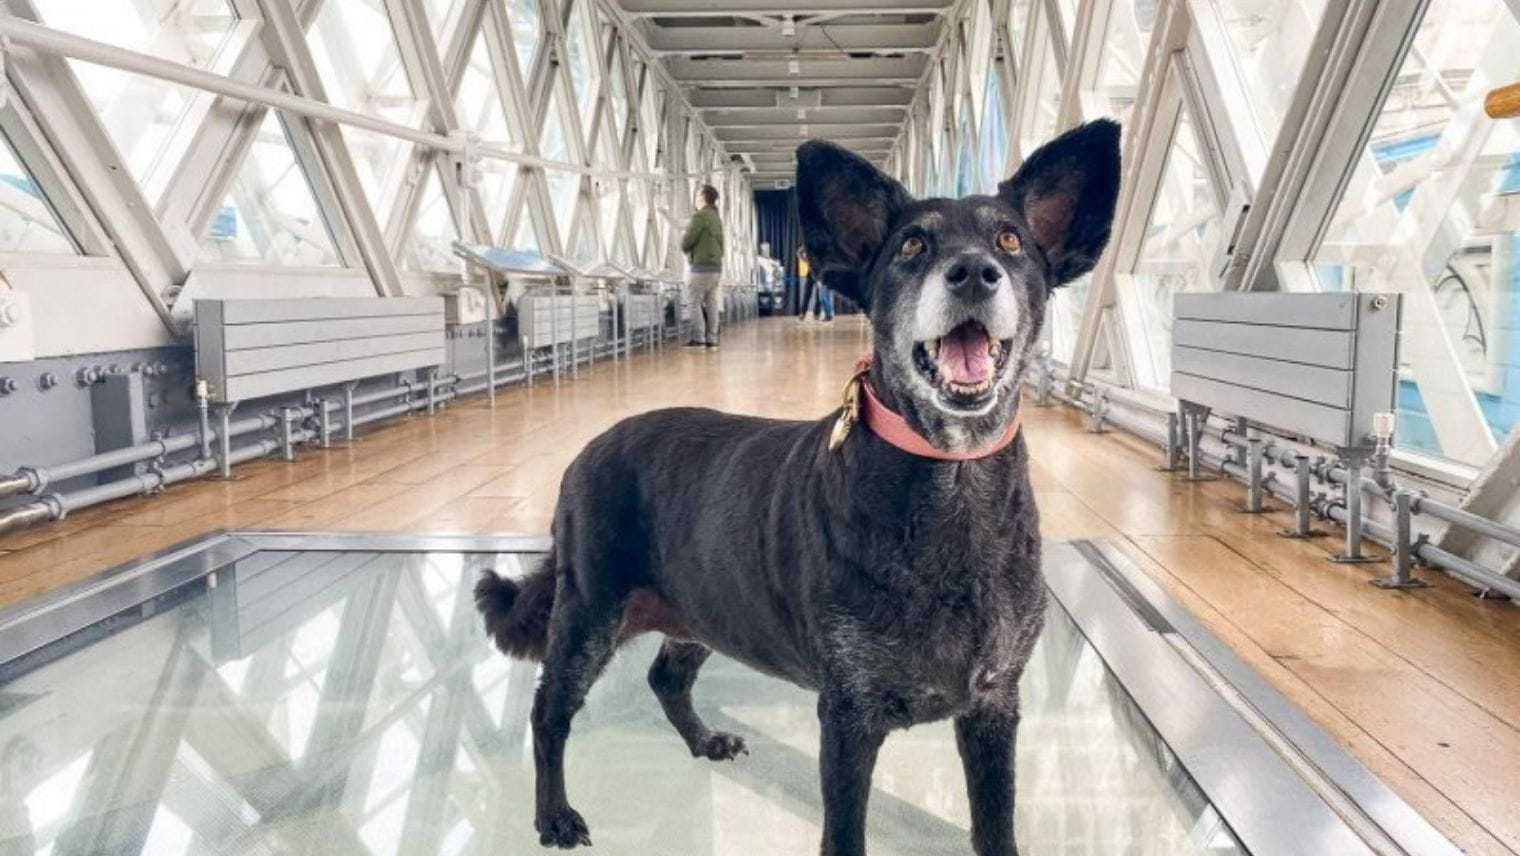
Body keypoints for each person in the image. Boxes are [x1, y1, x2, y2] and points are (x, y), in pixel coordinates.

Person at [681, 185, 724, 348]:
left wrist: (685, 248)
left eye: (697, 195)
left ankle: (698, 338)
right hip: (716, 267)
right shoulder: (716, 217)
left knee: (693, 301)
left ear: (701, 197)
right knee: (711, 302)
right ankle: (712, 338)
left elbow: (688, 239)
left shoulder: (700, 216)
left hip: (700, 266)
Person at [795, 248, 835, 324]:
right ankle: (802, 313)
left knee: (819, 295)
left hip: (819, 272)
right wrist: (806, 260)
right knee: (807, 293)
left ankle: (817, 313)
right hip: (811, 272)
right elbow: (799, 252)